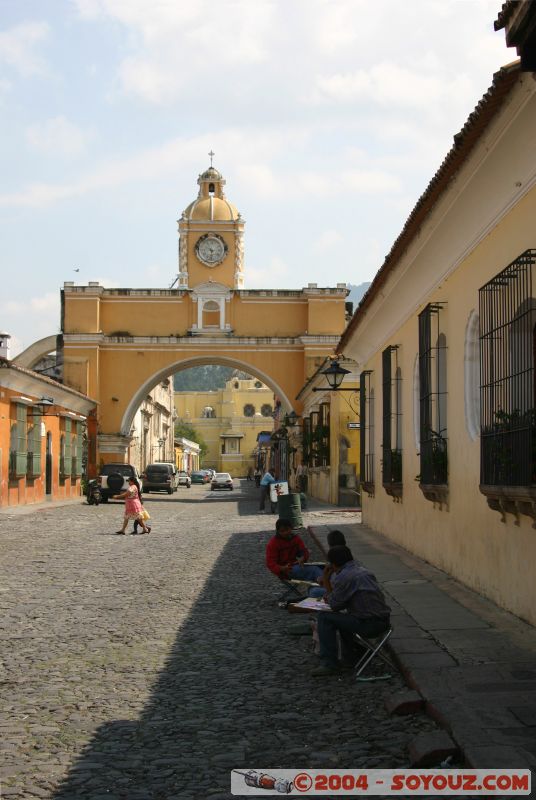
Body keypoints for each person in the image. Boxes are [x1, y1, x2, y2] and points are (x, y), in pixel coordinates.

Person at [312, 545, 390, 677]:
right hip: (383, 620)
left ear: (332, 564)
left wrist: (326, 579)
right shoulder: (362, 570)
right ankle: (350, 656)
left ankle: (329, 664)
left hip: (370, 625)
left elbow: (334, 604)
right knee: (342, 617)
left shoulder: (344, 577)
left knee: (324, 617)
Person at [266, 518, 324, 582]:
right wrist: (282, 568)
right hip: (286, 571)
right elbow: (270, 563)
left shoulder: (296, 538)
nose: (285, 533)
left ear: (291, 528)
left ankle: (321, 587)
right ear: (278, 531)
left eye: (287, 530)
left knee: (324, 568)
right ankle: (326, 586)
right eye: (282, 531)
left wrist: (303, 557)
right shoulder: (273, 543)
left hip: (296, 565)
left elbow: (304, 551)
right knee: (314, 570)